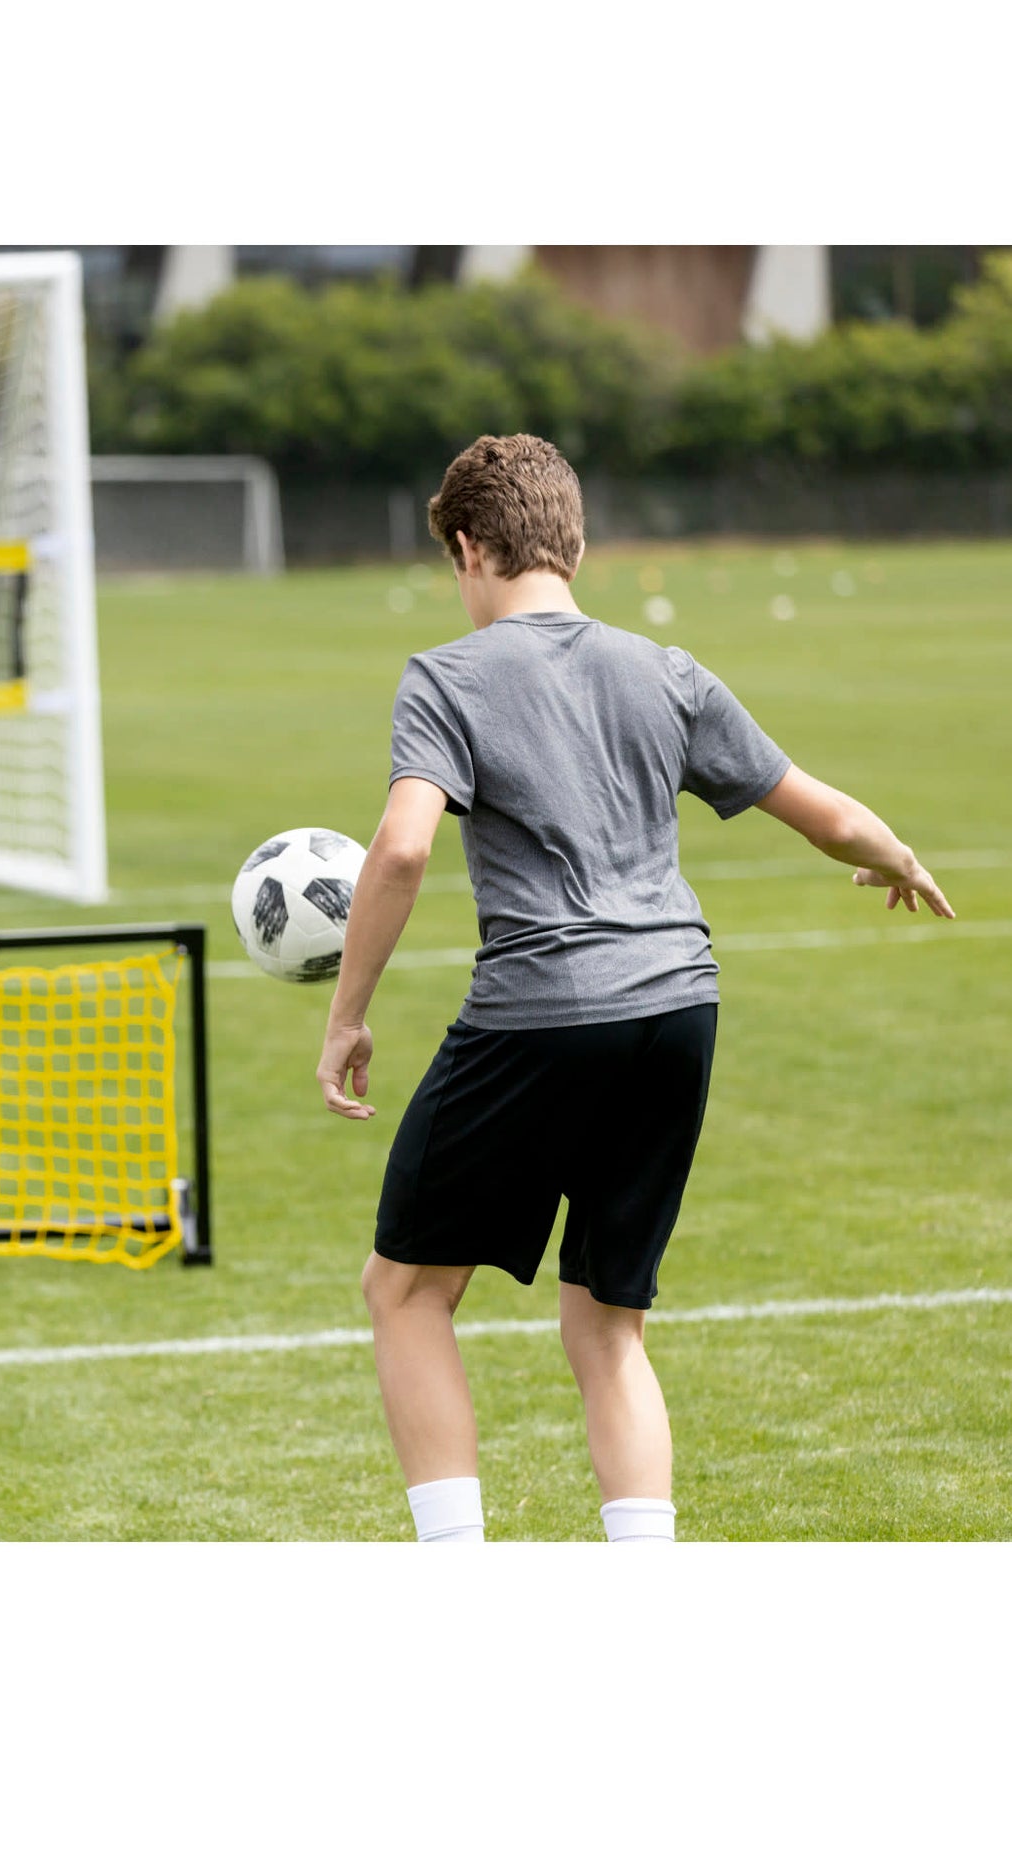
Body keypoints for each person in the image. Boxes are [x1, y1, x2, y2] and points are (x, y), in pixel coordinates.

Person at [316, 434, 954, 1544]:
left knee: (407, 1291)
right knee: (607, 1327)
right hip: (675, 1007)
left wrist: (347, 1012)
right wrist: (895, 855)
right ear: (572, 543)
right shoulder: (663, 669)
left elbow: (404, 848)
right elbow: (822, 811)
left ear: (467, 547)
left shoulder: (445, 676)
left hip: (540, 1012)